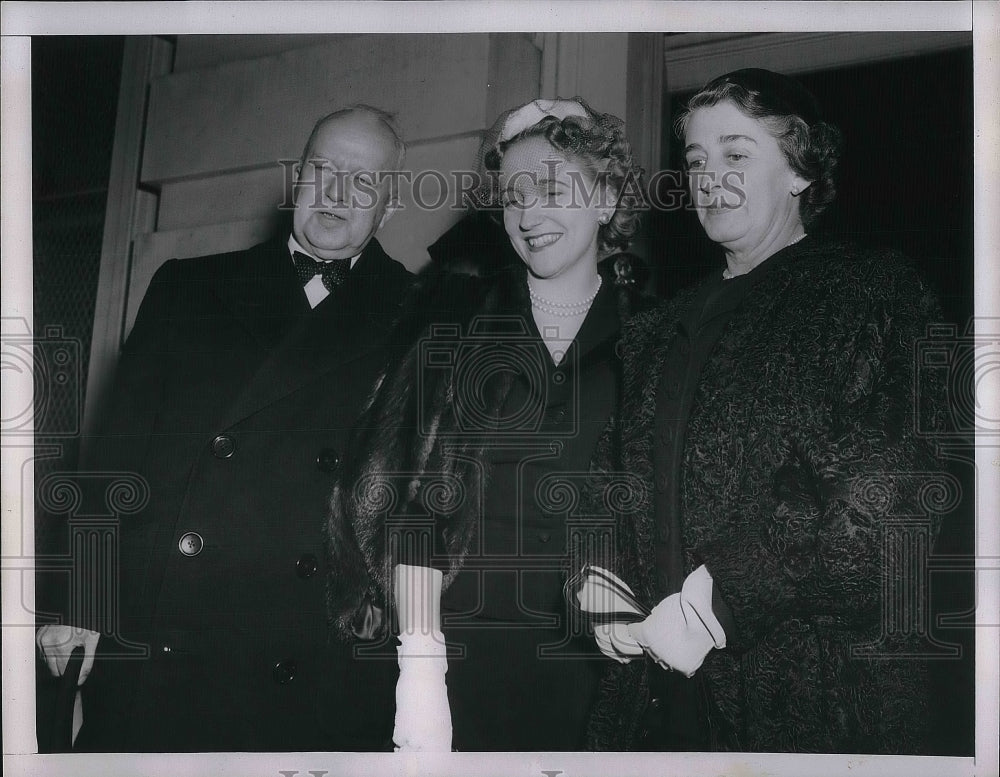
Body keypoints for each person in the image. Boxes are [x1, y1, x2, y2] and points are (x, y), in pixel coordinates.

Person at [574, 68, 949, 753]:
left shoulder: (869, 293)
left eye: (736, 154)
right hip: (659, 704)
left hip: (817, 696)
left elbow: (889, 498)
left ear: (800, 170)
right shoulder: (655, 330)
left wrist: (715, 603)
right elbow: (608, 484)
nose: (709, 178)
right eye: (696, 161)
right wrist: (600, 584)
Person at [35, 105, 414, 751]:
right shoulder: (190, 286)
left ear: (390, 206)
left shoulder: (419, 314)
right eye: (323, 169)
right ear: (297, 178)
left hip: (310, 656)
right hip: (164, 631)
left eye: (364, 180)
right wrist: (83, 600)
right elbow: (116, 454)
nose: (336, 192)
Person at [325, 97, 648, 751]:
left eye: (552, 189)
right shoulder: (458, 325)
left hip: (603, 673)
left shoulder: (655, 336)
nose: (529, 215)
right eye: (513, 197)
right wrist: (420, 673)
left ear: (606, 197)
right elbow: (414, 505)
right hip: (455, 663)